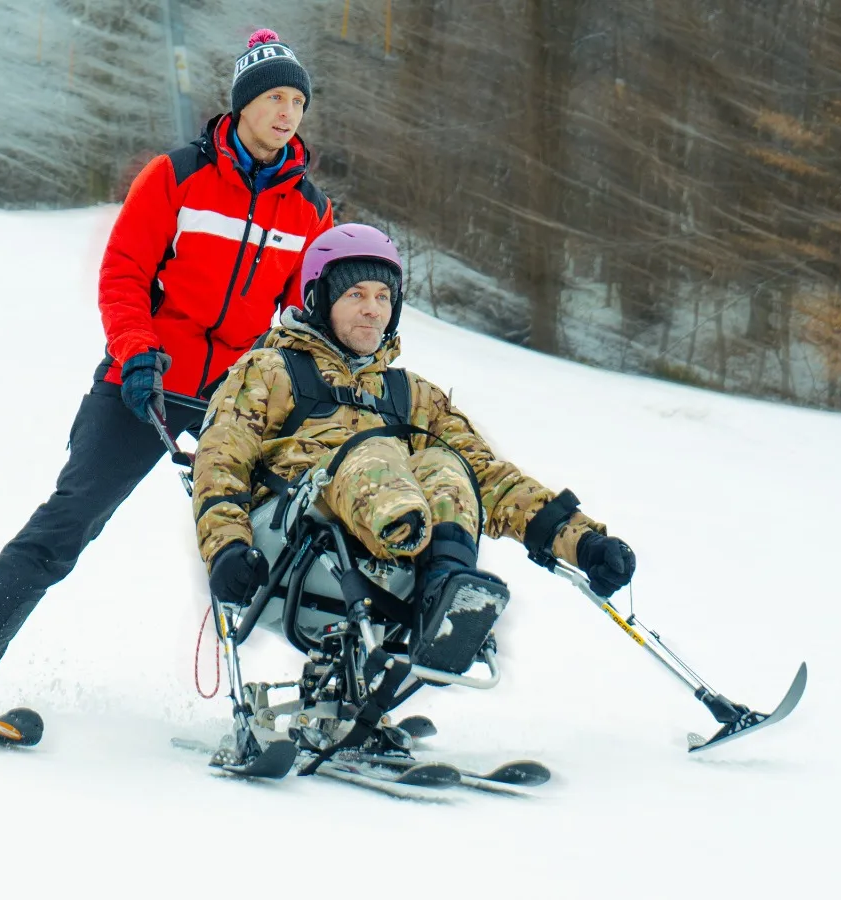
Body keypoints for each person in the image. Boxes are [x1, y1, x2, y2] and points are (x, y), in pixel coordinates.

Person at [0, 29, 335, 720]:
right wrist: (138, 352)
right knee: (69, 522)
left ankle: (336, 684)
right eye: (274, 97)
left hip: (230, 401)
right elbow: (126, 273)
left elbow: (299, 317)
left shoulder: (310, 210)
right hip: (141, 386)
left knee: (286, 530)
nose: (287, 112)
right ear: (242, 105)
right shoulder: (176, 176)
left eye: (298, 100)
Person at [190, 224, 637, 676]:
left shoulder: (410, 394)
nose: (372, 310)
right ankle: (421, 570)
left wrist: (581, 540)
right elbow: (221, 459)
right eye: (355, 295)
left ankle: (443, 595)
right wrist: (226, 546)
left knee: (447, 461)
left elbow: (486, 476)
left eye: (384, 297)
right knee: (373, 451)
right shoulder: (270, 370)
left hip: (390, 559)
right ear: (317, 299)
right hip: (288, 541)